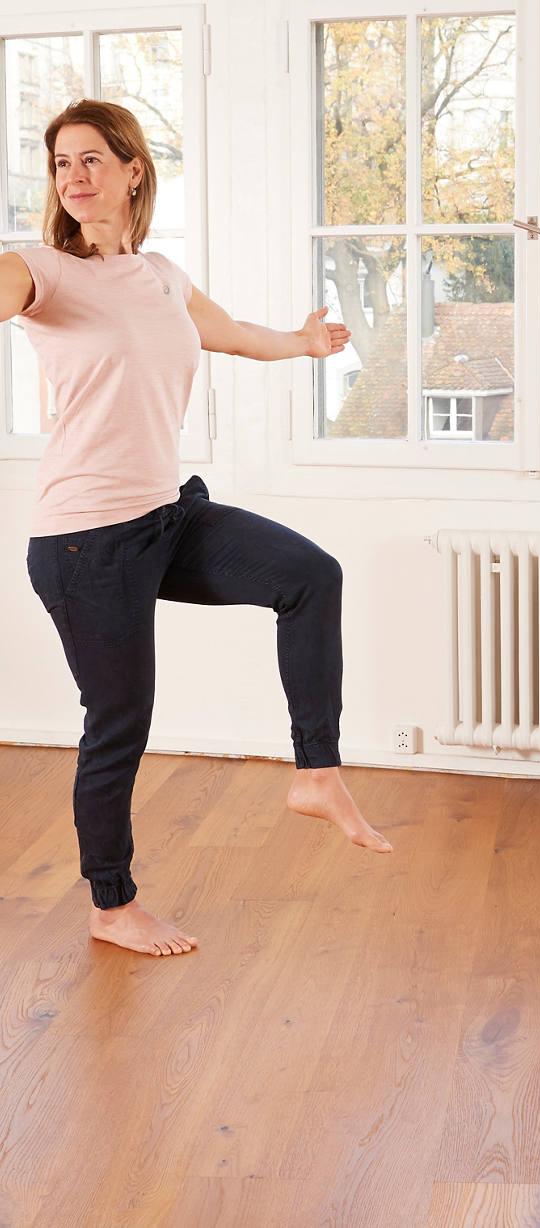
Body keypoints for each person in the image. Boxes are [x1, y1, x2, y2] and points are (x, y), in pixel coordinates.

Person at [0, 98, 392, 958]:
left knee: (308, 576)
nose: (73, 177)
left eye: (91, 160)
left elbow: (236, 337)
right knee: (119, 722)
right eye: (61, 163)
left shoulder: (161, 276)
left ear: (133, 170)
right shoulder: (39, 270)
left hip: (166, 516)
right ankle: (111, 904)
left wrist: (305, 342)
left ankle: (317, 773)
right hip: (84, 540)